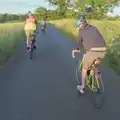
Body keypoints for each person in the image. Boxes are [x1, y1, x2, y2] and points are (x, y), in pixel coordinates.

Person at [72, 14, 107, 94]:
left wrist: (76, 49)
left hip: (92, 51)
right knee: (96, 60)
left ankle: (83, 87)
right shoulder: (93, 28)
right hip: (103, 49)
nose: (77, 28)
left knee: (84, 68)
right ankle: (97, 72)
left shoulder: (81, 31)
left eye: (77, 27)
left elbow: (79, 42)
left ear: (80, 25)